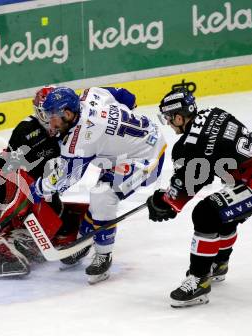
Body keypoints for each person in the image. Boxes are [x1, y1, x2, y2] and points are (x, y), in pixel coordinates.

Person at [147, 87, 252, 308]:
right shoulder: (215, 112)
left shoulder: (188, 146)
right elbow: (219, 158)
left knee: (206, 214)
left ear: (178, 116)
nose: (168, 123)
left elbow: (187, 187)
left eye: (168, 118)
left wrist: (164, 202)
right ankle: (219, 264)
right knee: (223, 212)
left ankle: (199, 281)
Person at [0, 86, 140, 278]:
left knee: (57, 218)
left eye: (51, 113)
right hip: (17, 190)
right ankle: (7, 237)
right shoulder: (26, 130)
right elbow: (8, 167)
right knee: (20, 183)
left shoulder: (72, 129)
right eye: (44, 113)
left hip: (45, 190)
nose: (49, 119)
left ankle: (25, 234)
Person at [29, 86, 166, 284]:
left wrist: (38, 189)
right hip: (135, 144)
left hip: (147, 157)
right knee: (100, 195)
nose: (49, 121)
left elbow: (64, 180)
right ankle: (84, 241)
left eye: (53, 116)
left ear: (67, 114)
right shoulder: (91, 94)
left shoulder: (82, 139)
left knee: (103, 195)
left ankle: (103, 255)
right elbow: (127, 97)